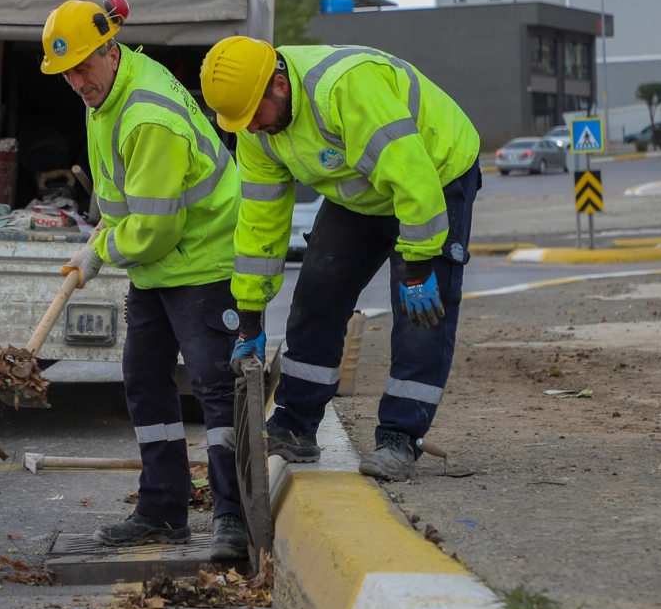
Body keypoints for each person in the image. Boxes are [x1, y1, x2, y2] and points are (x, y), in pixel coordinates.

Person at [198, 37, 480, 481]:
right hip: (361, 190)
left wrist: (420, 265)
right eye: (239, 122)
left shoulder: (344, 89)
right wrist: (249, 317)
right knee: (317, 294)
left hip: (434, 171)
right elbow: (259, 224)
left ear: (279, 84)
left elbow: (411, 173)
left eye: (253, 115)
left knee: (420, 311)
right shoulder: (254, 131)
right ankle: (295, 425)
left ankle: (399, 439)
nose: (249, 128)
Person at [41, 0, 250, 560]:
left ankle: (235, 519)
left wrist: (101, 251)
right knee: (143, 376)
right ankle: (162, 512)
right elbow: (123, 195)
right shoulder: (105, 93)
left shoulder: (147, 115)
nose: (77, 82)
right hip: (160, 266)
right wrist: (99, 244)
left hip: (203, 260)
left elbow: (154, 228)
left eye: (84, 67)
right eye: (66, 74)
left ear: (111, 51)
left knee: (213, 385)